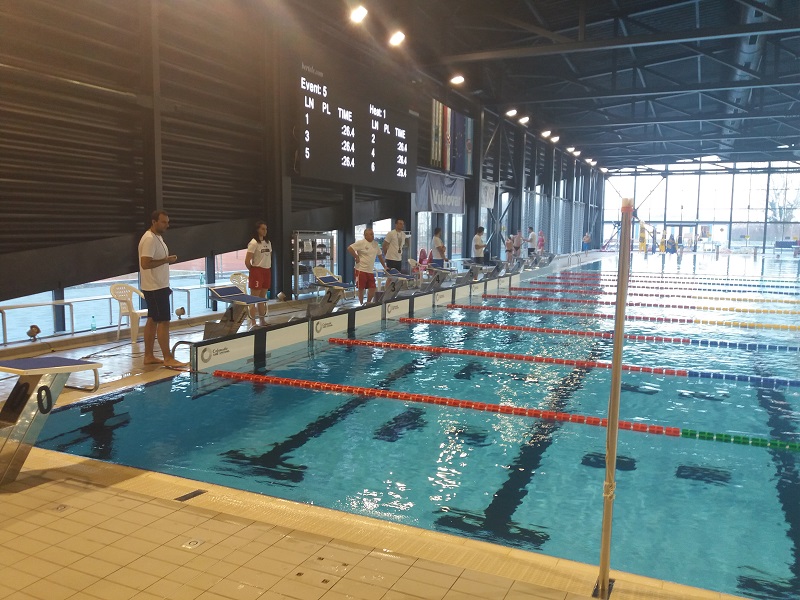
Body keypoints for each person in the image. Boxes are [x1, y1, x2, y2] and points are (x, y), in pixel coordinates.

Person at [138, 210, 186, 368]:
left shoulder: (157, 237)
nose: (167, 225)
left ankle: (148, 356)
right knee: (164, 321)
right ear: (154, 222)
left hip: (157, 286)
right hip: (155, 287)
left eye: (167, 222)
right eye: (163, 222)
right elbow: (145, 263)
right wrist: (166, 260)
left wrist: (166, 260)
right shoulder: (149, 239)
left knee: (152, 320)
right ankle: (168, 358)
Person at [349, 228, 388, 304]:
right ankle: (361, 304)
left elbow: (380, 256)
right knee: (361, 288)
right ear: (365, 235)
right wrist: (356, 257)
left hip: (370, 270)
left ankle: (368, 303)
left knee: (372, 288)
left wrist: (385, 266)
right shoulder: (361, 243)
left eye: (373, 234)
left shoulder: (375, 244)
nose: (372, 236)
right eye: (370, 234)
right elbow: (350, 248)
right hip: (360, 269)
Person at [244, 220, 272, 327]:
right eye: (262, 229)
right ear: (257, 230)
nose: (265, 231)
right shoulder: (253, 243)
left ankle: (262, 321)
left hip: (267, 270)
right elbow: (247, 261)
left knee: (262, 298)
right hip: (257, 271)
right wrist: (254, 271)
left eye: (266, 229)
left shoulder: (268, 243)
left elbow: (268, 257)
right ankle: (253, 322)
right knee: (253, 299)